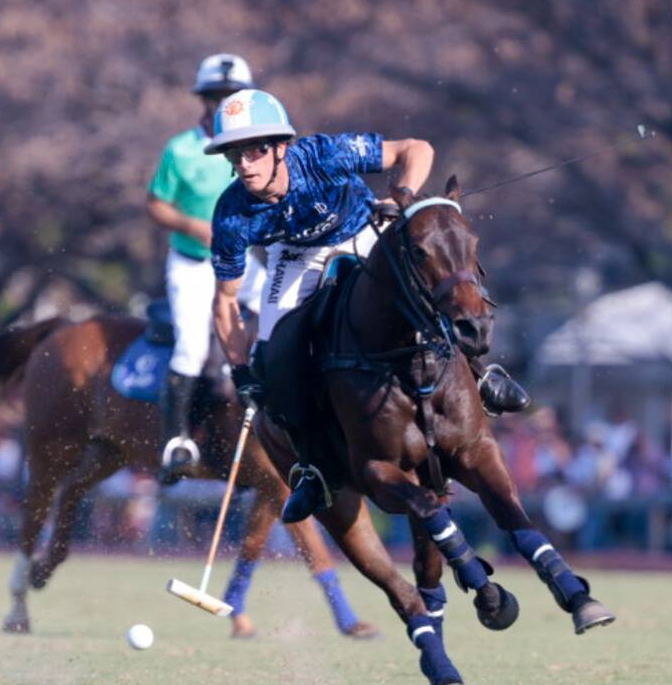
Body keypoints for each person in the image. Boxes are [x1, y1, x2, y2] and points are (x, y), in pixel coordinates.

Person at [207, 89, 529, 523]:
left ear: (281, 146)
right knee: (273, 358)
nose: (244, 163)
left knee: (427, 288)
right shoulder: (231, 214)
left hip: (364, 227)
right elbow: (226, 301)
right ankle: (312, 468)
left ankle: (481, 375)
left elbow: (416, 149)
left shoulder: (322, 155)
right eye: (234, 154)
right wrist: (240, 369)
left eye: (255, 150)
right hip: (295, 256)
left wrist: (403, 195)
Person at [148, 53, 265, 483]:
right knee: (191, 350)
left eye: (232, 96)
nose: (224, 104)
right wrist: (192, 225)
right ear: (204, 100)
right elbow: (155, 204)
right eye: (217, 96)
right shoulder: (179, 150)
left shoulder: (258, 147)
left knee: (287, 313)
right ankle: (175, 443)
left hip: (241, 260)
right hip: (192, 264)